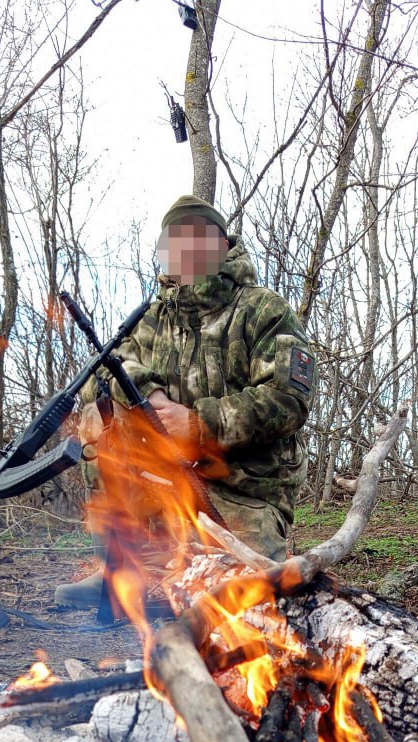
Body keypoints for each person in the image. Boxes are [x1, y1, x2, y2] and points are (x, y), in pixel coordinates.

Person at [55, 194, 317, 608]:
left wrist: (197, 424)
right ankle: (121, 573)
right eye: (175, 244)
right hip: (161, 486)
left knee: (242, 605)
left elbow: (289, 399)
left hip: (240, 492)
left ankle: (188, 571)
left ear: (222, 246)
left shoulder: (263, 310)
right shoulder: (150, 319)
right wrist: (147, 395)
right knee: (96, 414)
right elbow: (104, 373)